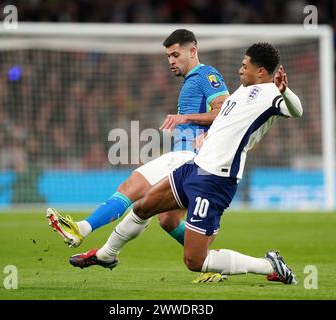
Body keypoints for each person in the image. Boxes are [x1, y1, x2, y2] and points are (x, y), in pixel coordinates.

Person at [70, 42, 303, 285]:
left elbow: (297, 111)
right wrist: (207, 137)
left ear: (261, 71)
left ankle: (269, 265)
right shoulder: (242, 91)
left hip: (215, 180)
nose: (239, 70)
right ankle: (107, 255)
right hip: (195, 167)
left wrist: (285, 91)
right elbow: (228, 123)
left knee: (194, 261)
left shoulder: (272, 94)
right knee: (144, 206)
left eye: (245, 66)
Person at [47, 29, 229, 281]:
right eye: (168, 56)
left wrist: (186, 118)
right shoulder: (191, 80)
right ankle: (211, 264)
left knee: (133, 184)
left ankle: (81, 229)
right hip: (192, 161)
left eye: (176, 55)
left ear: (193, 51)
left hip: (189, 156)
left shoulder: (205, 75)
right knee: (167, 219)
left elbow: (225, 111)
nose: (171, 61)